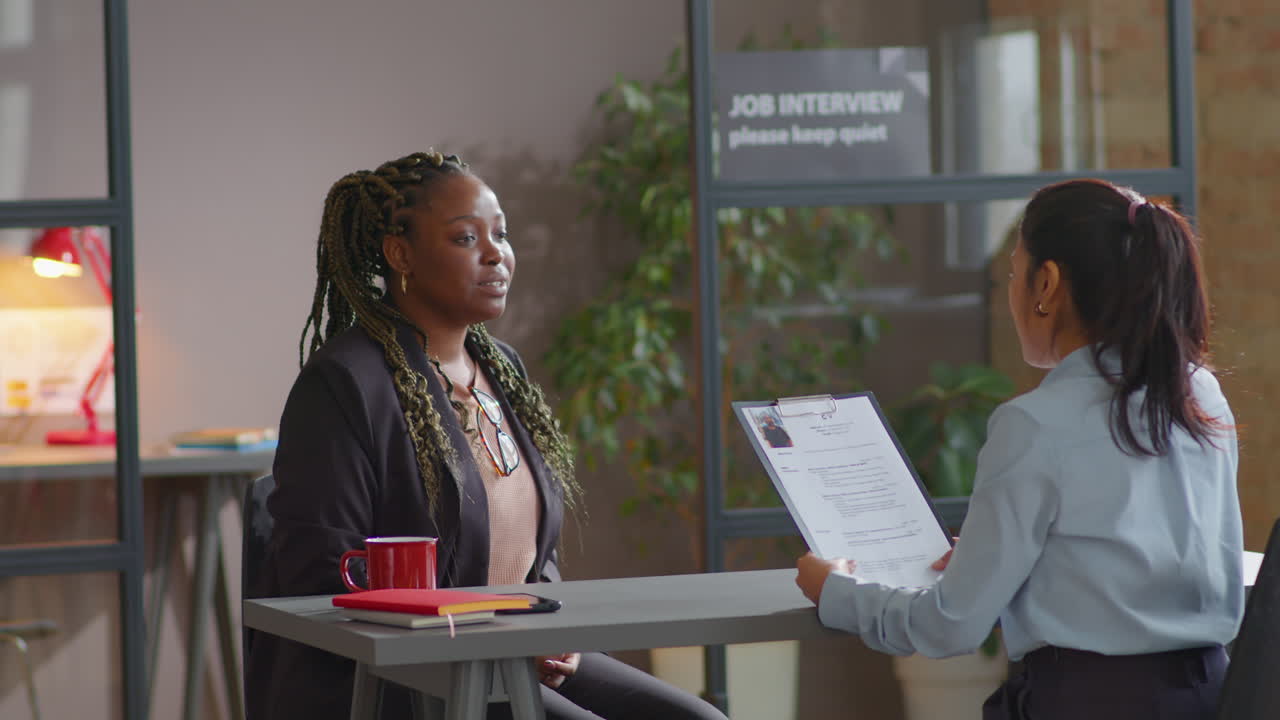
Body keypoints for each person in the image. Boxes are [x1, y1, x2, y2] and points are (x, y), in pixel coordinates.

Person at [244, 150, 728, 720]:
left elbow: (531, 553)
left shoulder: (502, 368)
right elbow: (323, 572)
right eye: (466, 239)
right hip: (402, 669)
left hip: (515, 645)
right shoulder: (345, 384)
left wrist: (551, 622)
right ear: (402, 254)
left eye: (500, 234)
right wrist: (486, 629)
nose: (496, 254)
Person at [794, 179, 1243, 720]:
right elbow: (1141, 559)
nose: (1009, 292)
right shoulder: (1200, 395)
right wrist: (1011, 558)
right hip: (1213, 698)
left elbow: (949, 625)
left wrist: (838, 591)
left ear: (1046, 284)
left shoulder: (1034, 424)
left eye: (1013, 273)